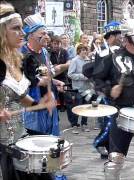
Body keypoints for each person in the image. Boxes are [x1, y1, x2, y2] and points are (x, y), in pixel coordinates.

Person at [94, 1, 134, 178]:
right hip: (121, 114)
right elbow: (97, 78)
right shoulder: (111, 58)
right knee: (114, 161)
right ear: (128, 39)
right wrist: (108, 90)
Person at [0, 3, 55, 179]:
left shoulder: (16, 60)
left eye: (22, 28)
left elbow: (21, 96)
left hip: (19, 136)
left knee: (48, 163)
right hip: (3, 144)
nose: (22, 33)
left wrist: (38, 104)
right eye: (16, 28)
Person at [21, 13, 63, 136]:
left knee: (52, 140)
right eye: (42, 33)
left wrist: (55, 82)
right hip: (33, 106)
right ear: (31, 35)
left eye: (46, 33)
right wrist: (39, 82)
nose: (47, 37)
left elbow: (45, 74)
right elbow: (16, 81)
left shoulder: (45, 52)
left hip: (49, 102)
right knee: (36, 140)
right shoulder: (21, 53)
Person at [91, 21, 122, 159]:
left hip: (119, 93)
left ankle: (112, 147)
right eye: (118, 35)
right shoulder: (103, 52)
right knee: (109, 121)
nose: (121, 38)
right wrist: (107, 89)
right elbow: (98, 75)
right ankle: (100, 143)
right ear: (112, 36)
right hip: (107, 92)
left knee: (116, 122)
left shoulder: (120, 51)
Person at [67, 44, 93, 133]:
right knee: (78, 107)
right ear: (78, 51)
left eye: (86, 50)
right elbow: (70, 74)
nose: (84, 51)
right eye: (82, 50)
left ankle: (84, 124)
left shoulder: (88, 60)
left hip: (88, 88)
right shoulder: (74, 61)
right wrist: (82, 76)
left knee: (86, 107)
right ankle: (74, 125)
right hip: (78, 88)